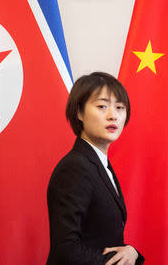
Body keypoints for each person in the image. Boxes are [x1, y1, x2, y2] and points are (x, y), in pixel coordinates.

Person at [46, 72, 145, 265]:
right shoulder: (75, 167)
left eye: (119, 107)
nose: (113, 115)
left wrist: (132, 252)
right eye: (102, 106)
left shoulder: (98, 163)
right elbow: (66, 250)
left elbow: (103, 239)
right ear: (79, 112)